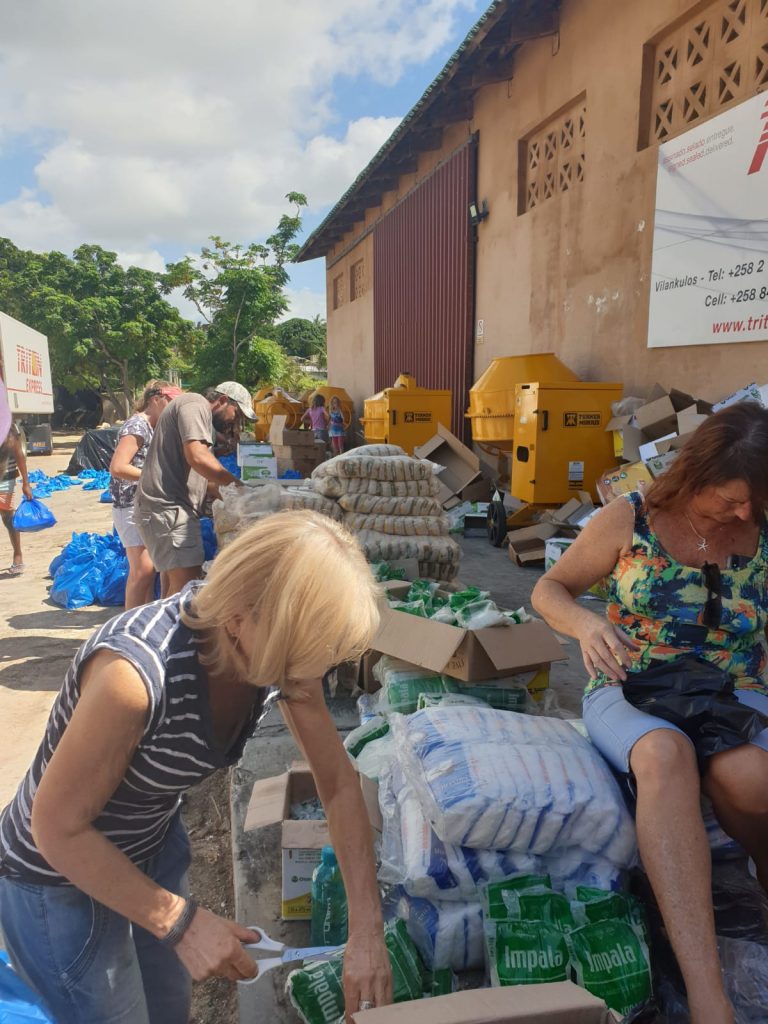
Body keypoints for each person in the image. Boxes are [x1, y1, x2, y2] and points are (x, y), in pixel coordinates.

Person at [0, 511, 392, 1024]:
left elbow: (339, 786)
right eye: (304, 654)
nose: (311, 675)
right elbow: (55, 827)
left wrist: (367, 931)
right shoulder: (134, 676)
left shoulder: (275, 650)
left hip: (150, 840)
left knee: (167, 1007)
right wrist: (179, 921)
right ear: (237, 619)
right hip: (58, 877)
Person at [531, 402, 768, 1024]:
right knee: (666, 757)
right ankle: (709, 997)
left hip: (733, 687)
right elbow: (548, 589)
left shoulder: (763, 528)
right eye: (730, 499)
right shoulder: (626, 519)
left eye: (754, 501)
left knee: (751, 781)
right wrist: (586, 624)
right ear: (693, 475)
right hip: (633, 684)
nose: (742, 513)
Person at [135, 382, 255, 597]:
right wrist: (240, 488)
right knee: (186, 589)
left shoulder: (202, 421)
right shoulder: (194, 403)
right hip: (168, 508)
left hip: (170, 510)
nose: (234, 421)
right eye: (236, 414)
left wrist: (237, 503)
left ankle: (167, 630)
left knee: (174, 590)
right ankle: (176, 630)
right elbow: (198, 458)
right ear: (223, 400)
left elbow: (204, 478)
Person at [109, 381, 182, 608]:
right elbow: (118, 467)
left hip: (145, 505)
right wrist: (156, 477)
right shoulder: (136, 427)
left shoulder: (155, 427)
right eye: (171, 402)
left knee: (150, 572)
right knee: (142, 571)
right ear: (155, 399)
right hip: (130, 506)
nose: (173, 409)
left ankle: (144, 621)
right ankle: (127, 628)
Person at [0, 421, 33, 576]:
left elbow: (19, 454)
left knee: (7, 517)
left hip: (5, 477)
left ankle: (17, 554)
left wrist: (26, 483)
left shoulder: (9, 425)